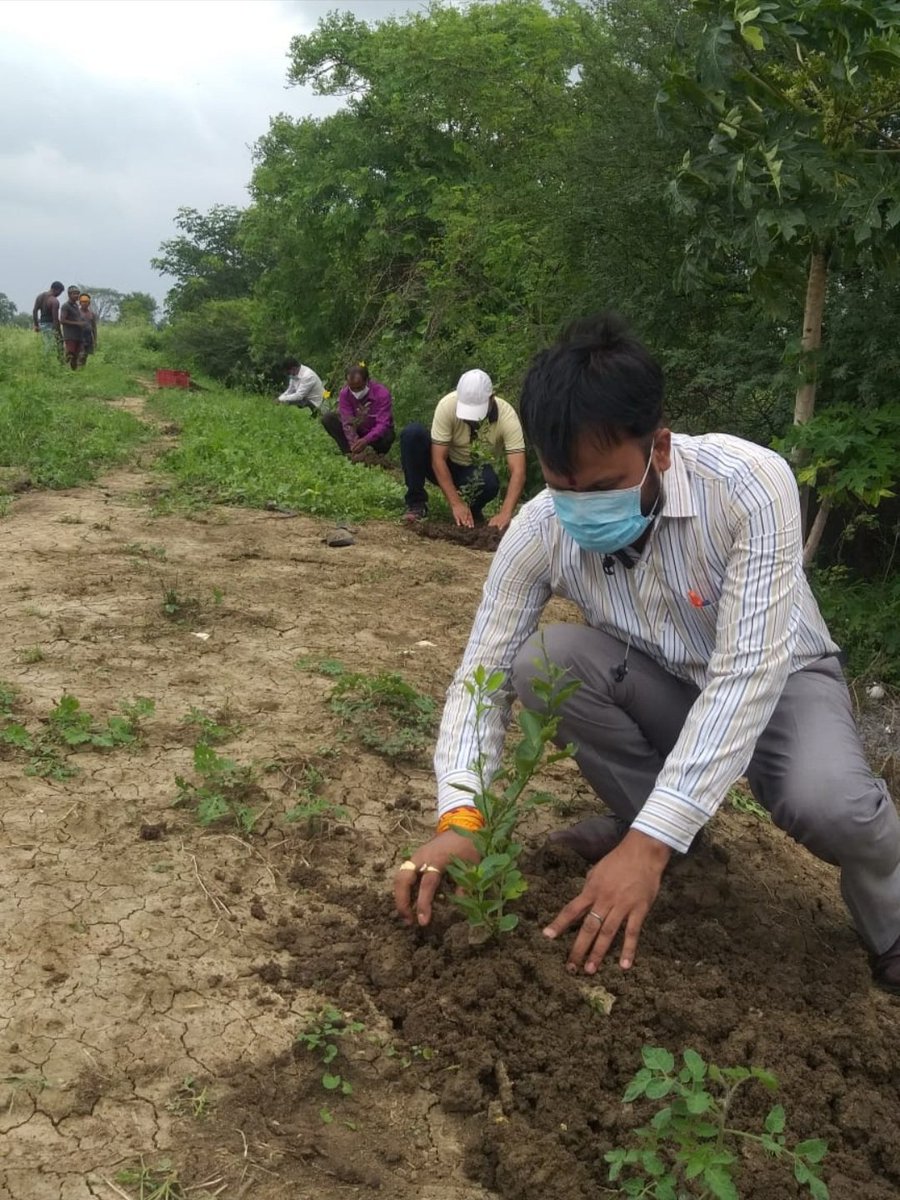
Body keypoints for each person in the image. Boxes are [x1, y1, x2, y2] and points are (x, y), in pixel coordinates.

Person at [393, 312, 900, 994]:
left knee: (833, 804)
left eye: (602, 488)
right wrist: (462, 816)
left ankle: (891, 925)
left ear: (659, 448)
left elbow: (746, 674)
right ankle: (658, 828)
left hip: (780, 677)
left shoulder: (748, 483)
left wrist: (647, 847)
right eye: (561, 485)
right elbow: (479, 678)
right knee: (545, 660)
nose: (579, 507)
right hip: (659, 678)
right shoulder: (541, 530)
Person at [400, 368, 527, 528]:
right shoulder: (447, 405)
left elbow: (518, 470)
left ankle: (472, 511)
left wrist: (505, 513)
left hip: (473, 471)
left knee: (489, 483)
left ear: (491, 398)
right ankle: (416, 503)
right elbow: (438, 459)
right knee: (413, 434)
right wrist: (455, 503)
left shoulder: (507, 416)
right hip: (444, 463)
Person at [321, 364, 395, 458]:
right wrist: (353, 441)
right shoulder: (345, 394)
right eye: (352, 388)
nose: (355, 392)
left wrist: (366, 440)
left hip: (376, 434)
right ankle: (351, 452)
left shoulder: (382, 394)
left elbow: (383, 423)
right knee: (328, 418)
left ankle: (375, 454)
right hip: (359, 429)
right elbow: (347, 421)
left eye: (359, 388)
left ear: (367, 381)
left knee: (387, 435)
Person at [32, 281, 63, 352]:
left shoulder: (40, 297)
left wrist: (36, 325)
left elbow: (34, 311)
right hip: (50, 325)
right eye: (60, 292)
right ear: (57, 290)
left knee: (45, 345)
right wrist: (59, 334)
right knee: (50, 347)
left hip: (42, 325)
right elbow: (55, 319)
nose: (59, 295)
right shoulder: (54, 301)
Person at [58, 286, 84, 370]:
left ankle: (73, 372)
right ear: (69, 295)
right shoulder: (66, 306)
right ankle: (61, 369)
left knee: (76, 355)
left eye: (77, 294)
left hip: (78, 335)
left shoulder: (76, 306)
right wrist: (77, 323)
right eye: (74, 294)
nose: (76, 295)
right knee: (70, 353)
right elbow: (62, 320)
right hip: (70, 335)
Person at [77, 293, 98, 365]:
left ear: (89, 303)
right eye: (83, 302)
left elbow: (94, 328)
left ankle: (82, 370)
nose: (85, 304)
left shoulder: (92, 314)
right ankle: (78, 370)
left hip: (88, 337)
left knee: (85, 355)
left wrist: (95, 340)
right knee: (80, 354)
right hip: (79, 337)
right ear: (80, 303)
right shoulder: (77, 312)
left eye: (87, 302)